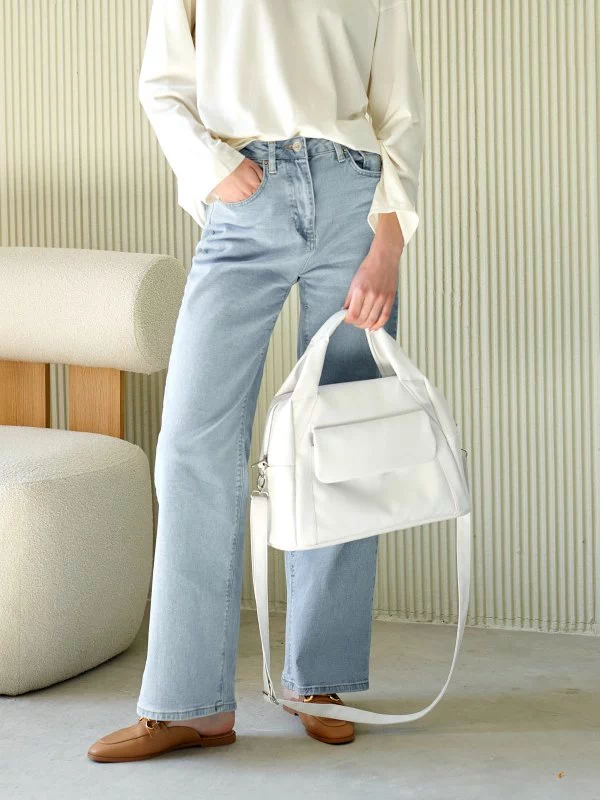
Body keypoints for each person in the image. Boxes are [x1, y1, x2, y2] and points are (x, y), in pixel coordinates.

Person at [88, 0, 425, 761]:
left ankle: (321, 681)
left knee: (341, 440)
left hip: (353, 199)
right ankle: (190, 704)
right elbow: (163, 84)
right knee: (193, 445)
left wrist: (389, 244)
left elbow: (398, 106)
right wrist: (216, 170)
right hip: (247, 192)